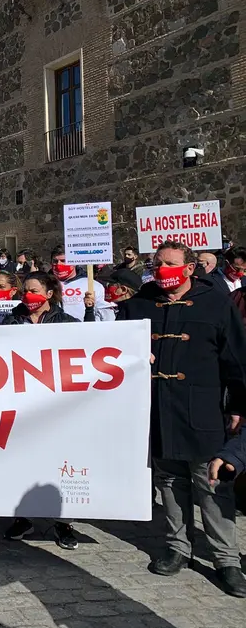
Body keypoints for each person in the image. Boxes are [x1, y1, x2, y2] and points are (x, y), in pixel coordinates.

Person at [116, 241, 246, 597]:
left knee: (212, 482)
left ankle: (226, 559)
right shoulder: (137, 305)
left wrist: (238, 404)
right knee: (170, 480)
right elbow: (112, 351)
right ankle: (178, 547)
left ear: (189, 268)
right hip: (156, 407)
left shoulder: (217, 303)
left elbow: (237, 358)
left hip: (202, 407)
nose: (162, 270)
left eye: (170, 264)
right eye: (157, 264)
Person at [0, 272, 86, 550]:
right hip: (22, 403)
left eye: (35, 291)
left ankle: (63, 523)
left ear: (49, 294)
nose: (28, 296)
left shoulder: (68, 323)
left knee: (59, 461)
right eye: (25, 291)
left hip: (57, 404)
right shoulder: (11, 320)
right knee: (22, 460)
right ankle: (23, 517)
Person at [49, 246, 114, 322]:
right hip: (55, 330)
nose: (59, 265)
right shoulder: (45, 285)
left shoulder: (93, 285)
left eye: (63, 261)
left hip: (84, 330)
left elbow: (105, 313)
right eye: (55, 261)